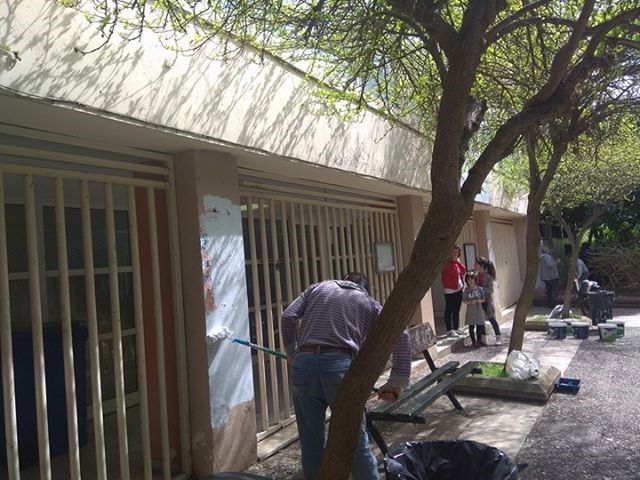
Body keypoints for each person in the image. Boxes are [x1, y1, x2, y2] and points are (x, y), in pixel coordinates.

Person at [282, 272, 411, 480]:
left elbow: (288, 316)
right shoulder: (368, 303)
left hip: (303, 365)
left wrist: (292, 352)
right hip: (338, 367)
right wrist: (396, 382)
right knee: (355, 439)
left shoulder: (317, 288)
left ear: (344, 279)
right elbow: (401, 335)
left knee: (311, 441)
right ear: (364, 288)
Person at [475, 257, 502, 345]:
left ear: (482, 266)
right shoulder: (476, 276)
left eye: (477, 264)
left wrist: (480, 289)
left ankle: (498, 337)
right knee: (480, 320)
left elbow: (490, 290)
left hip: (487, 302)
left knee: (491, 319)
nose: (475, 265)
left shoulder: (488, 277)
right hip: (478, 302)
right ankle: (482, 339)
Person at [441, 244, 467, 337]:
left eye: (457, 252)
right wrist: (454, 262)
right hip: (449, 289)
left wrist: (458, 263)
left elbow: (463, 271)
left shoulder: (457, 262)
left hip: (458, 288)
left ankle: (456, 327)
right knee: (449, 309)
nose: (455, 254)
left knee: (457, 309)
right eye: (453, 252)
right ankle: (449, 329)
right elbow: (451, 273)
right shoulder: (446, 263)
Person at [462, 272, 486, 347]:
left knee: (479, 326)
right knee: (471, 326)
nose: (471, 281)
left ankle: (479, 340)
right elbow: (464, 300)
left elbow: (484, 298)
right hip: (470, 311)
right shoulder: (466, 290)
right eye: (469, 279)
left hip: (478, 311)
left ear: (475, 280)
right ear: (466, 281)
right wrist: (470, 302)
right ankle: (473, 341)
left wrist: (480, 301)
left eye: (472, 279)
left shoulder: (479, 289)